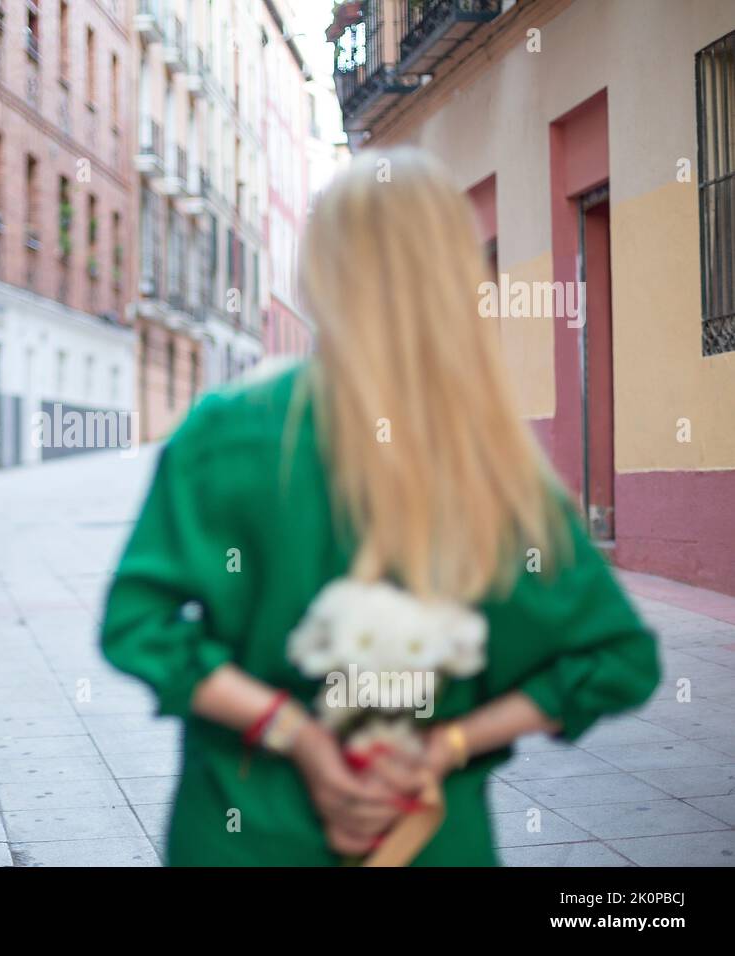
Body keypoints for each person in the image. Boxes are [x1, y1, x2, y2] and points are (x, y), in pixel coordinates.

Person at [99, 147, 661, 866]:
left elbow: (137, 626)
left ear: (320, 272)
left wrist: (295, 734)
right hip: (430, 840)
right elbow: (617, 660)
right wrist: (443, 747)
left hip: (245, 835)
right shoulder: (496, 465)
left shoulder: (226, 431)